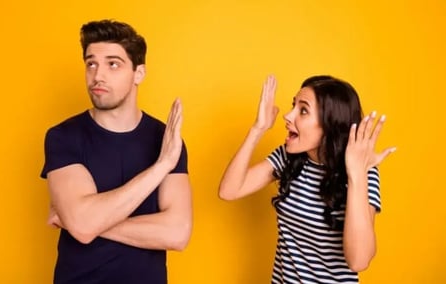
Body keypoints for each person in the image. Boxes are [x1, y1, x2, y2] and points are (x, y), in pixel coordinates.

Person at [40, 19, 192, 284]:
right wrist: (161, 167)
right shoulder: (62, 137)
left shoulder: (166, 139)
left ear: (139, 73)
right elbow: (84, 224)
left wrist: (84, 222)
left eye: (113, 64)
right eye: (91, 63)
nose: (98, 75)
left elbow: (177, 233)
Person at [218, 75, 395, 283]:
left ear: (329, 125)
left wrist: (356, 175)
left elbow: (359, 261)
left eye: (303, 110)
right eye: (294, 105)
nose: (288, 115)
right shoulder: (288, 158)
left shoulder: (363, 172)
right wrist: (258, 129)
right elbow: (228, 191)